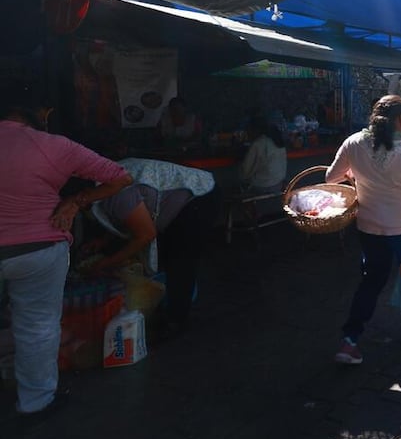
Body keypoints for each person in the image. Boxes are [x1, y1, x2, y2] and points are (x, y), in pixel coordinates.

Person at [0, 90, 131, 418]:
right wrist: (76, 201)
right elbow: (121, 177)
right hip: (39, 250)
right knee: (37, 327)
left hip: (33, 250)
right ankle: (36, 401)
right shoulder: (55, 145)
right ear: (42, 114)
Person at [326, 95, 401, 364]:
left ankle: (349, 341)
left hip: (370, 227)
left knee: (371, 281)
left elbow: (331, 177)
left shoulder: (353, 142)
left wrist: (354, 175)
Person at [86, 158, 219, 330]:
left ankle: (175, 320)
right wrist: (104, 240)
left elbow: (146, 235)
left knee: (180, 259)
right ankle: (169, 305)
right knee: (171, 259)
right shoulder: (106, 180)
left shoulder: (117, 193)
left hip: (199, 195)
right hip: (190, 193)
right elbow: (130, 216)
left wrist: (107, 263)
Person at [238, 115, 288, 194]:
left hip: (262, 187)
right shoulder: (277, 139)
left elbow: (245, 172)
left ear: (255, 129)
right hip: (279, 185)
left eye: (248, 130)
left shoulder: (258, 144)